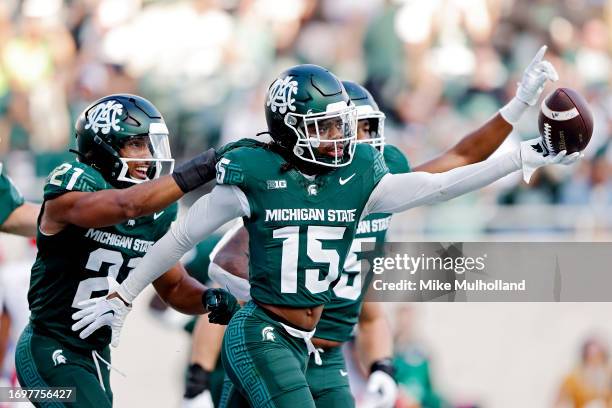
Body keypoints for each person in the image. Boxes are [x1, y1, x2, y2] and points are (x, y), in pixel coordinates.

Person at [74, 63, 579, 408]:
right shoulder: (256, 173)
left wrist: (522, 155)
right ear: (291, 129)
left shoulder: (361, 176)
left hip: (322, 346)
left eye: (344, 127)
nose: (344, 140)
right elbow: (186, 241)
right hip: (264, 332)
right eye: (328, 128)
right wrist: (126, 295)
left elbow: (443, 184)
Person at [14, 94, 237, 408]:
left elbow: (173, 285)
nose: (147, 155)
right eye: (136, 144)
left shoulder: (155, 213)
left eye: (148, 144)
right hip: (48, 348)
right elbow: (126, 205)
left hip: (94, 356)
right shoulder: (76, 183)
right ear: (104, 147)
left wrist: (207, 299)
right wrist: (203, 167)